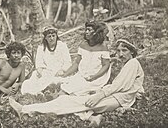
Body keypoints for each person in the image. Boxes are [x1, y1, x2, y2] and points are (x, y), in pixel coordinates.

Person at [9, 39, 144, 127]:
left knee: (67, 102)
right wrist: (136, 93)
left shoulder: (132, 63)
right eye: (119, 51)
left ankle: (26, 110)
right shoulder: (131, 64)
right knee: (74, 102)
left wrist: (100, 95)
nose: (120, 54)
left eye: (124, 50)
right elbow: (135, 83)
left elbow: (118, 86)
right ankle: (93, 118)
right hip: (117, 98)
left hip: (115, 99)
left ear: (132, 52)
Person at [60, 21, 111, 95]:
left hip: (97, 76)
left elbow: (106, 65)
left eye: (89, 30)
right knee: (64, 88)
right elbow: (77, 63)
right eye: (86, 30)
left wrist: (94, 77)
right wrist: (66, 74)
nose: (86, 32)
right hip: (82, 74)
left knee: (76, 92)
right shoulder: (83, 45)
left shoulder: (102, 47)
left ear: (96, 32)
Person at [21, 25, 72, 95]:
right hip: (46, 71)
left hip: (59, 71)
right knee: (34, 78)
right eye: (49, 36)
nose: (51, 38)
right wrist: (40, 71)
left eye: (53, 36)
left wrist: (62, 70)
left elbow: (68, 62)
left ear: (56, 36)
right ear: (45, 38)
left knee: (58, 80)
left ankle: (46, 91)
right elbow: (39, 63)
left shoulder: (62, 46)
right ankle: (38, 92)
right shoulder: (41, 48)